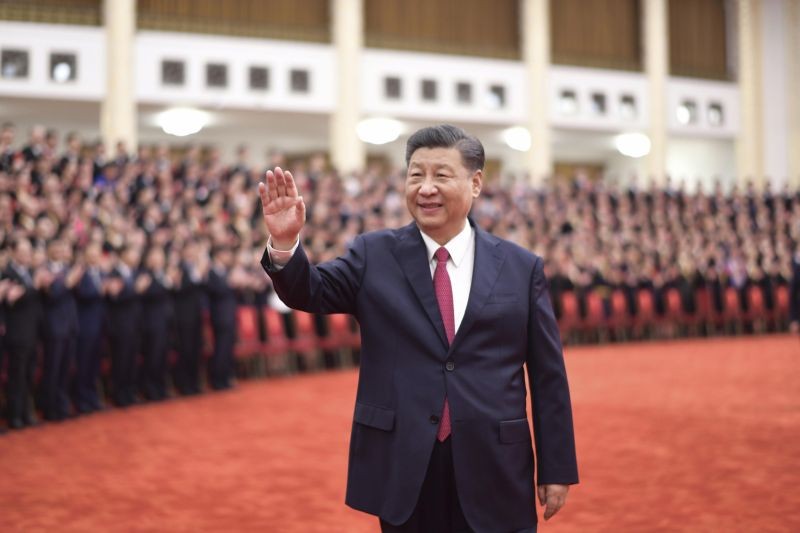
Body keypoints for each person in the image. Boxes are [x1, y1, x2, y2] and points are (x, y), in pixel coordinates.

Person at [258, 125, 578, 532]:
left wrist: (557, 465)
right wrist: (286, 245)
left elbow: (549, 377)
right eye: (416, 175)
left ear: (475, 183)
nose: (426, 188)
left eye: (441, 176)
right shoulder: (373, 255)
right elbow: (311, 291)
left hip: (495, 464)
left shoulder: (520, 267)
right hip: (405, 463)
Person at [40, 239, 81, 421]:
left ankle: (62, 406)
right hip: (53, 327)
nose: (60, 251)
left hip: (70, 326)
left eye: (62, 247)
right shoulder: (44, 270)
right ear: (49, 250)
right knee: (52, 369)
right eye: (55, 247)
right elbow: (53, 295)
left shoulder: (67, 269)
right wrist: (68, 282)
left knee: (66, 369)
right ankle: (49, 408)